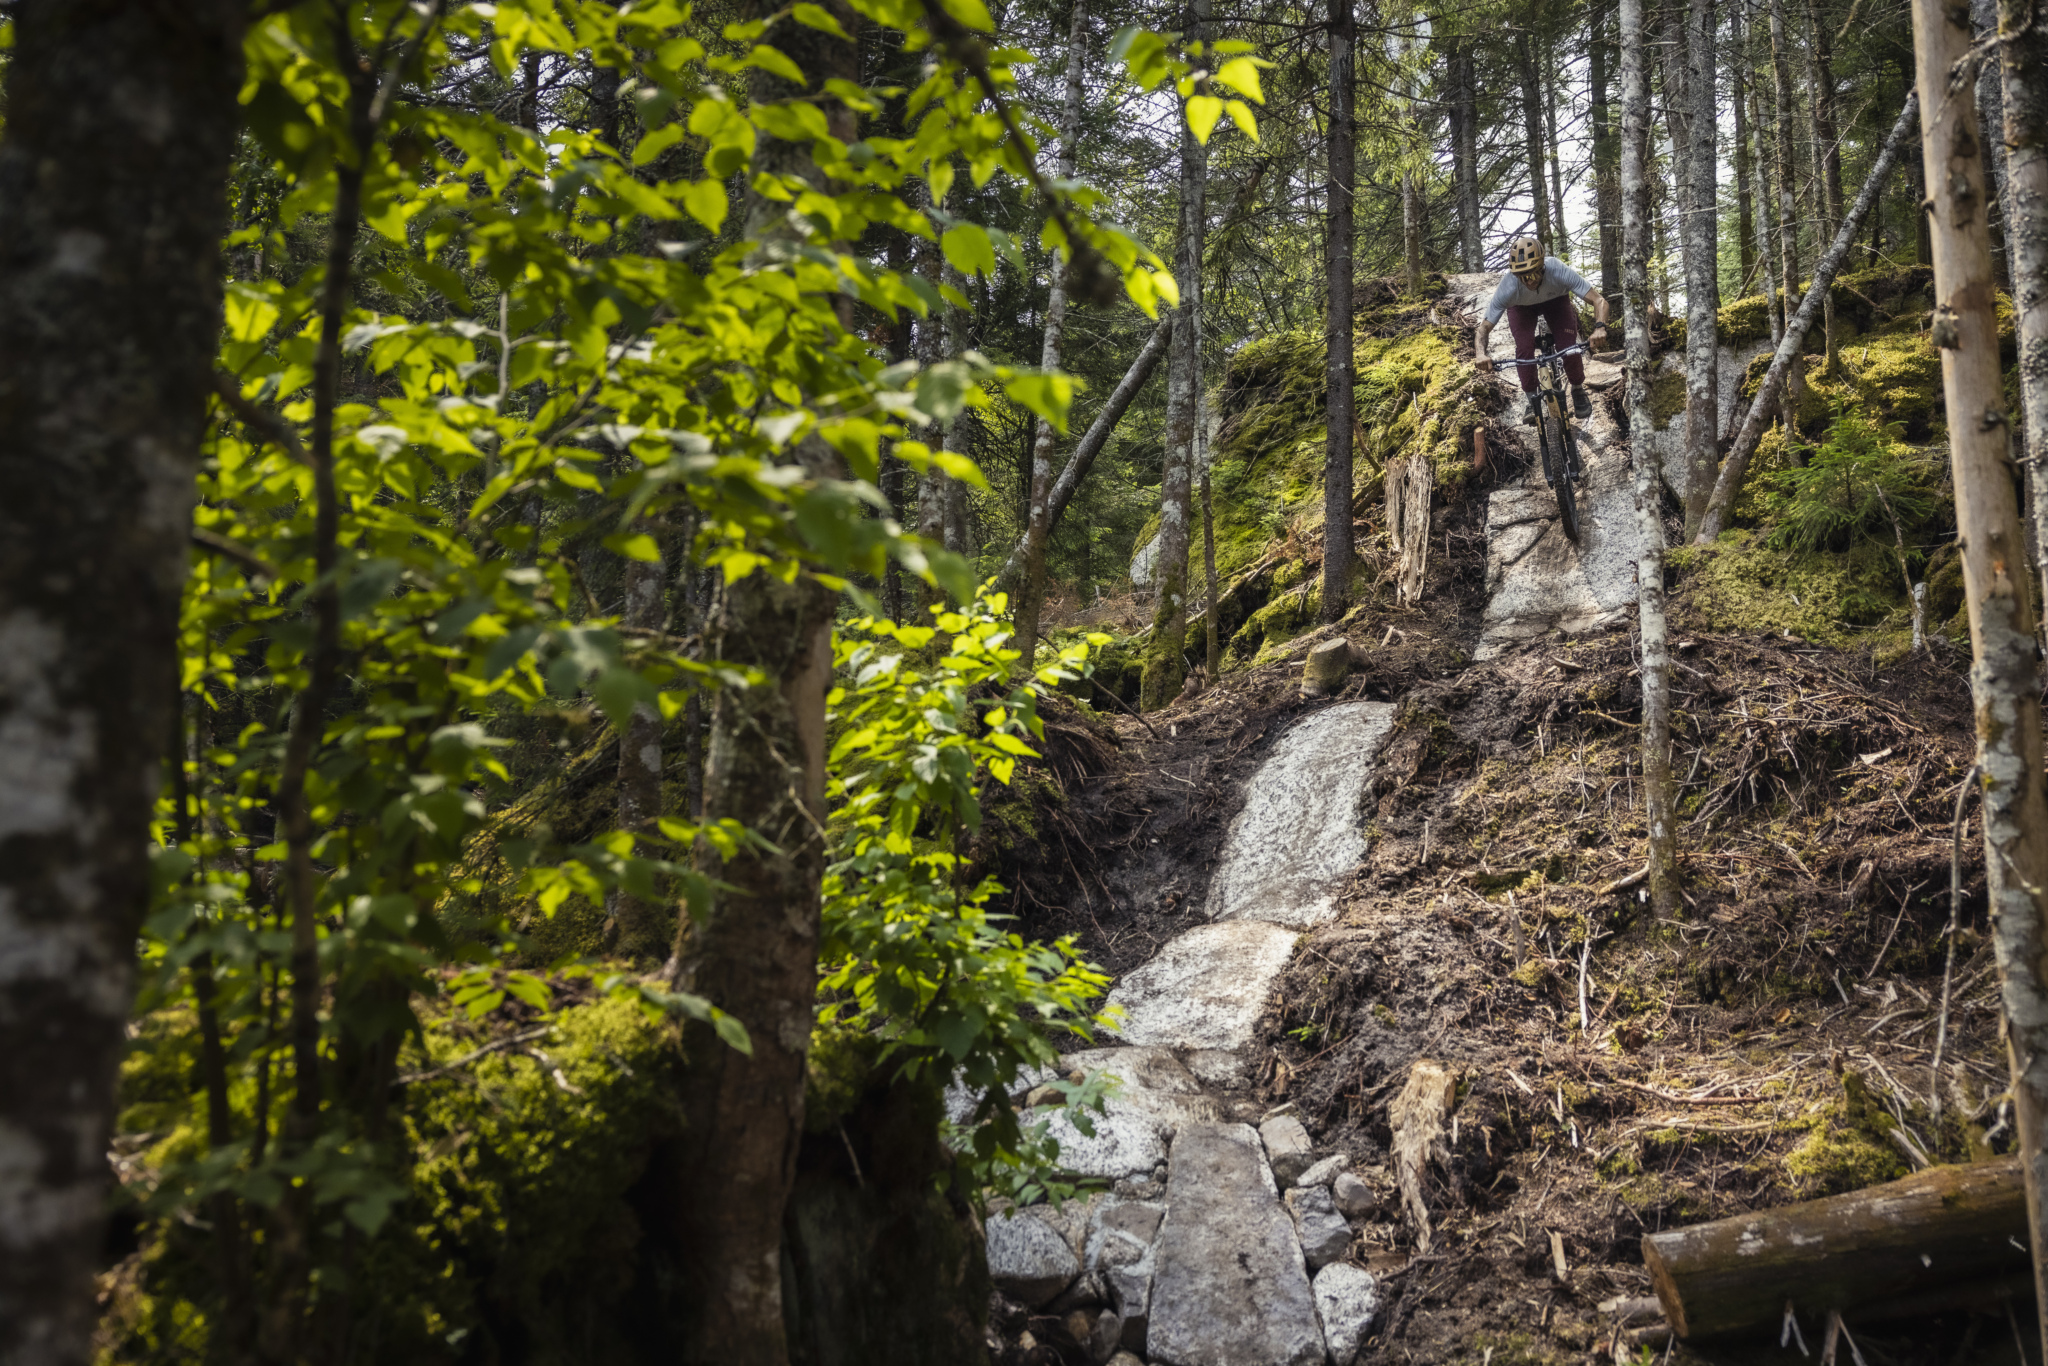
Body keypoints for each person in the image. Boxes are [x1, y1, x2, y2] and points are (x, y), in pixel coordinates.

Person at [1474, 235, 1610, 422]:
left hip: (1556, 301)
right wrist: (1481, 353)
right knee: (1523, 348)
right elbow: (1483, 329)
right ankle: (1531, 398)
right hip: (1521, 308)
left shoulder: (1556, 269)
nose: (1529, 282)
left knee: (1568, 347)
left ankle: (1578, 389)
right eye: (1523, 277)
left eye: (1533, 274)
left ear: (1543, 267)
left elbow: (1598, 300)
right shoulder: (1508, 286)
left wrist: (1600, 327)